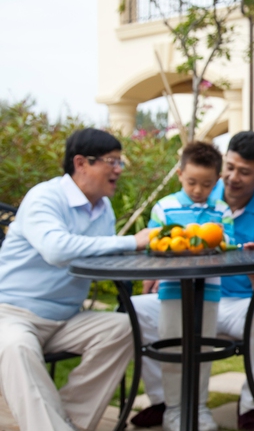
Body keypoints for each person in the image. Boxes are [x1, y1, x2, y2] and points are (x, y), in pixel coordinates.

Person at [131, 131, 254, 431]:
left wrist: (252, 262)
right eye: (229, 167)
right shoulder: (194, 193)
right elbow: (157, 241)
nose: (232, 178)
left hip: (235, 303)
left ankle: (251, 404)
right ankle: (166, 402)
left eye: (244, 172)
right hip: (181, 292)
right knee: (132, 312)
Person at [0, 128, 152, 431]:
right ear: (81, 163)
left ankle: (68, 423)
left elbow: (100, 257)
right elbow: (57, 250)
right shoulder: (45, 197)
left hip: (66, 317)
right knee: (16, 347)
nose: (119, 170)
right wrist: (130, 242)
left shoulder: (103, 207)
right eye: (112, 161)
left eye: (120, 162)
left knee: (123, 328)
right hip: (12, 313)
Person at [143, 141, 233, 431]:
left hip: (209, 291)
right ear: (180, 174)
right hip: (171, 290)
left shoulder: (221, 209)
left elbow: (228, 243)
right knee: (172, 348)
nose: (198, 190)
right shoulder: (164, 207)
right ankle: (173, 409)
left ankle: (200, 407)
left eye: (206, 184)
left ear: (217, 181)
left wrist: (215, 240)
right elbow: (154, 245)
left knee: (203, 348)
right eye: (192, 182)